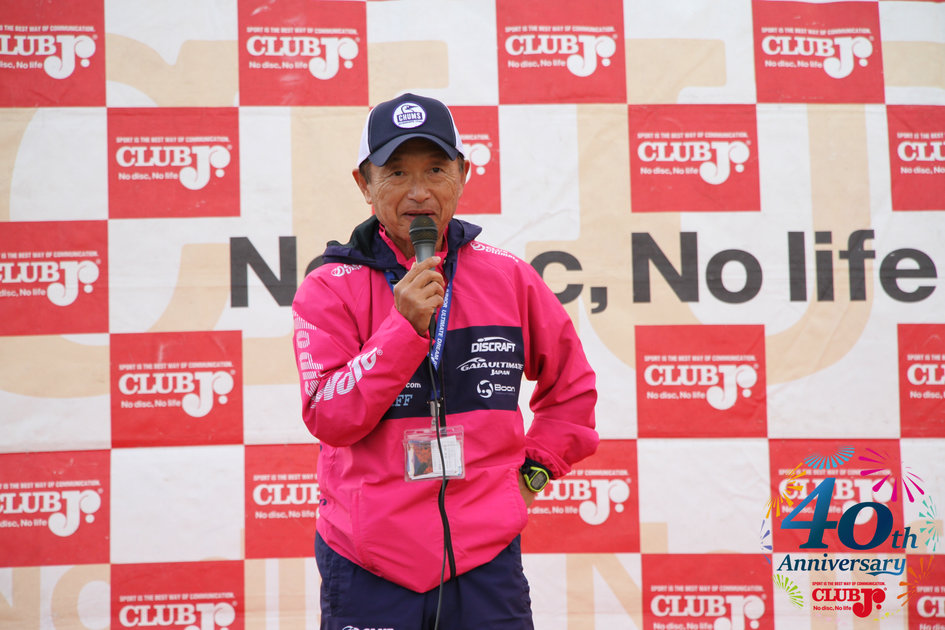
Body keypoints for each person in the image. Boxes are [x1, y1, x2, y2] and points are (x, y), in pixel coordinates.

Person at [291, 92, 598, 630]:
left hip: (484, 563)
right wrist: (403, 328)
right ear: (364, 184)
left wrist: (532, 476)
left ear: (463, 175)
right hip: (368, 563)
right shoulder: (328, 286)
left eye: (436, 169)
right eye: (396, 172)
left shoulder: (509, 277)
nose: (418, 191)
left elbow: (572, 390)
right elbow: (329, 416)